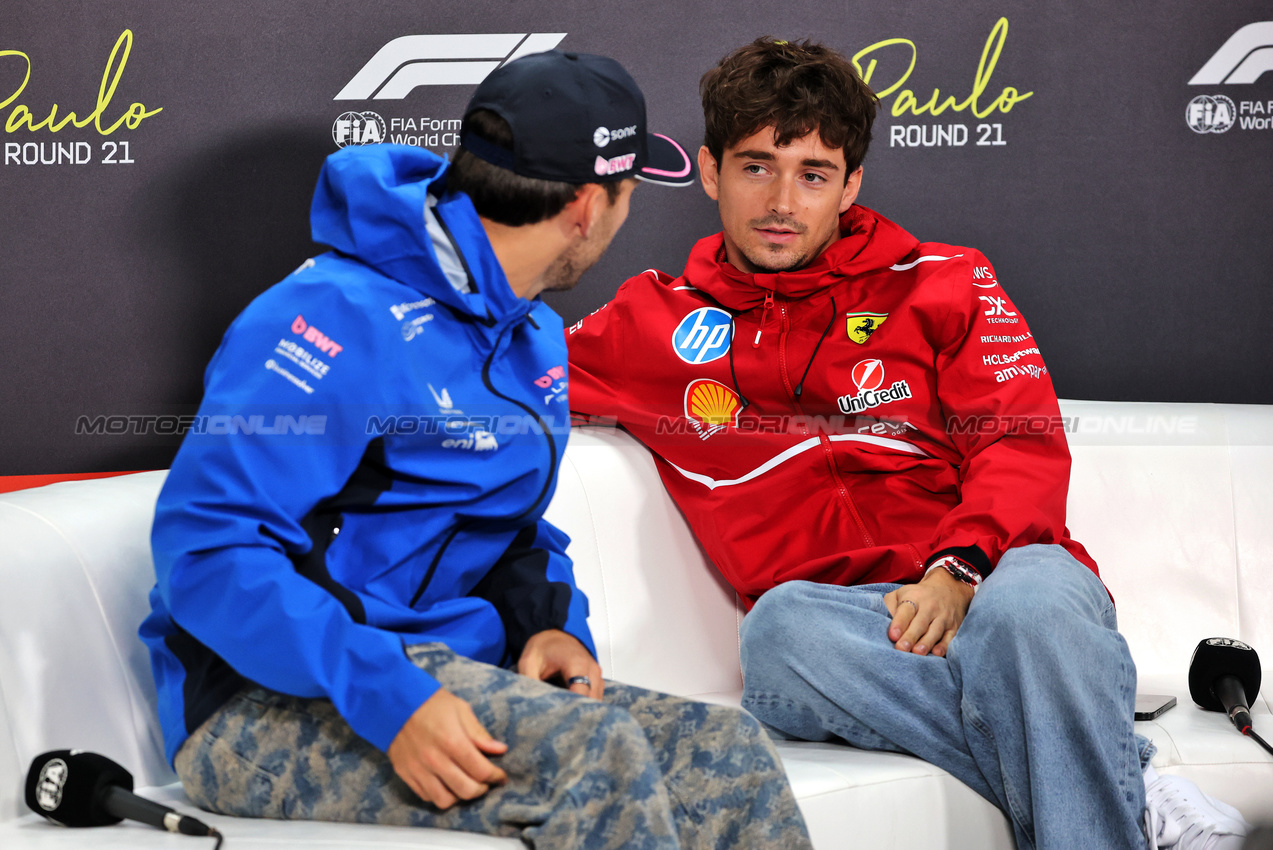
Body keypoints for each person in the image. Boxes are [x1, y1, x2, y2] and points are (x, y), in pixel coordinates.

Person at [566, 38, 1250, 850]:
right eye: (756, 167)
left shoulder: (943, 280)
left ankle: (1093, 779)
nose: (782, 200)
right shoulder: (651, 322)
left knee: (1027, 613)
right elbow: (494, 368)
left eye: (813, 174)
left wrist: (957, 572)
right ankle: (1124, 780)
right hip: (851, 630)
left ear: (850, 184)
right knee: (778, 634)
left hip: (999, 579)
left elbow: (1016, 441)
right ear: (710, 171)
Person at [141, 50, 811, 849]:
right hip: (262, 703)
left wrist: (548, 624)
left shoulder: (531, 334)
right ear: (588, 207)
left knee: (726, 753)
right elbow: (207, 551)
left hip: (446, 675)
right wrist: (388, 695)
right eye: (630, 194)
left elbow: (508, 529)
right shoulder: (326, 319)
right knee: (595, 754)